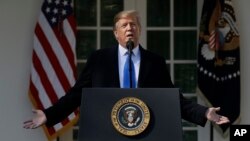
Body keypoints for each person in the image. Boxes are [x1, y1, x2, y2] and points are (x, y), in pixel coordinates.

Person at [23, 10, 229, 129]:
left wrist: (204, 113)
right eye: (124, 25)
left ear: (139, 30)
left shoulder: (154, 62)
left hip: (144, 132)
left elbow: (173, 99)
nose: (129, 28)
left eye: (133, 25)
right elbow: (76, 95)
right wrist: (48, 115)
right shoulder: (99, 59)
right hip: (107, 132)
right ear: (115, 33)